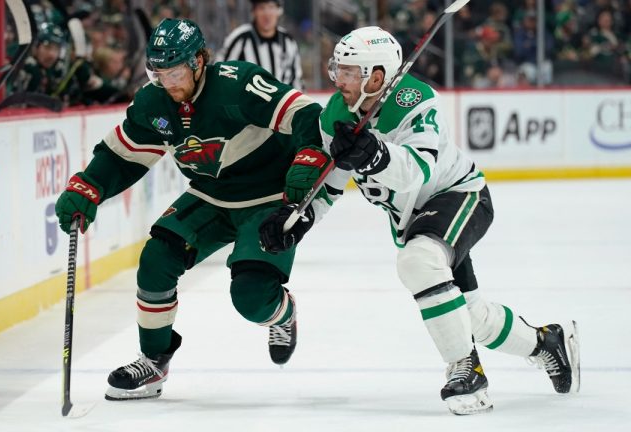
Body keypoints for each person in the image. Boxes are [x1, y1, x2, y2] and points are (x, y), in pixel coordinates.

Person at [258, 26, 581, 415]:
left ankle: (466, 369)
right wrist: (300, 217)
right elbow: (330, 183)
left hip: (459, 196)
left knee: (418, 260)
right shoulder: (336, 114)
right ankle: (546, 342)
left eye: (347, 71)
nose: (336, 78)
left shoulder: (416, 100)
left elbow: (418, 171)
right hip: (414, 220)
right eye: (337, 69)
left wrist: (373, 154)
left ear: (376, 76)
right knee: (470, 316)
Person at [55, 18, 329, 400]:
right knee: (155, 261)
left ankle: (284, 314)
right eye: (160, 72)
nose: (170, 83)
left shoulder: (238, 83)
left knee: (251, 297)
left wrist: (310, 153)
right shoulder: (154, 102)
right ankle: (153, 361)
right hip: (210, 196)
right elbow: (123, 156)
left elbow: (303, 113)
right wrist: (90, 185)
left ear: (200, 60)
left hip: (268, 197)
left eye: (177, 71)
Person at [217, 0, 303, 89]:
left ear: (279, 11)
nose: (267, 14)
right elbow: (221, 73)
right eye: (262, 8)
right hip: (247, 101)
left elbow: (296, 79)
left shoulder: (288, 41)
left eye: (271, 7)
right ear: (254, 12)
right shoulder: (239, 39)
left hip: (282, 101)